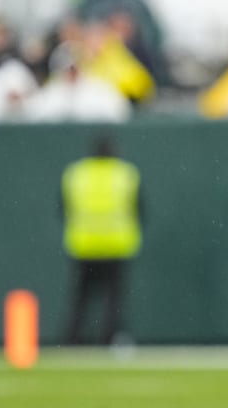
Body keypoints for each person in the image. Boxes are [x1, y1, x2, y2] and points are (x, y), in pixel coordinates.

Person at [61, 133, 143, 345]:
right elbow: (139, 209)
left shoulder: (76, 174)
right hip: (116, 245)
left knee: (81, 298)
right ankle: (110, 338)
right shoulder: (125, 174)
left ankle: (73, 339)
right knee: (113, 299)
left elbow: (64, 209)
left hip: (84, 244)